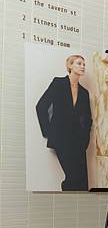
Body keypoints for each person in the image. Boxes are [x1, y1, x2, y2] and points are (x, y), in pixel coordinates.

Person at [36, 54, 92, 191]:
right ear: (70, 66)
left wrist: (85, 139)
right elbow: (41, 106)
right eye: (79, 63)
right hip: (61, 139)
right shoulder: (58, 83)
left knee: (82, 181)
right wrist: (48, 132)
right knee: (72, 177)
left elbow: (87, 119)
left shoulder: (84, 93)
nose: (83, 66)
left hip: (78, 142)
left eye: (84, 64)